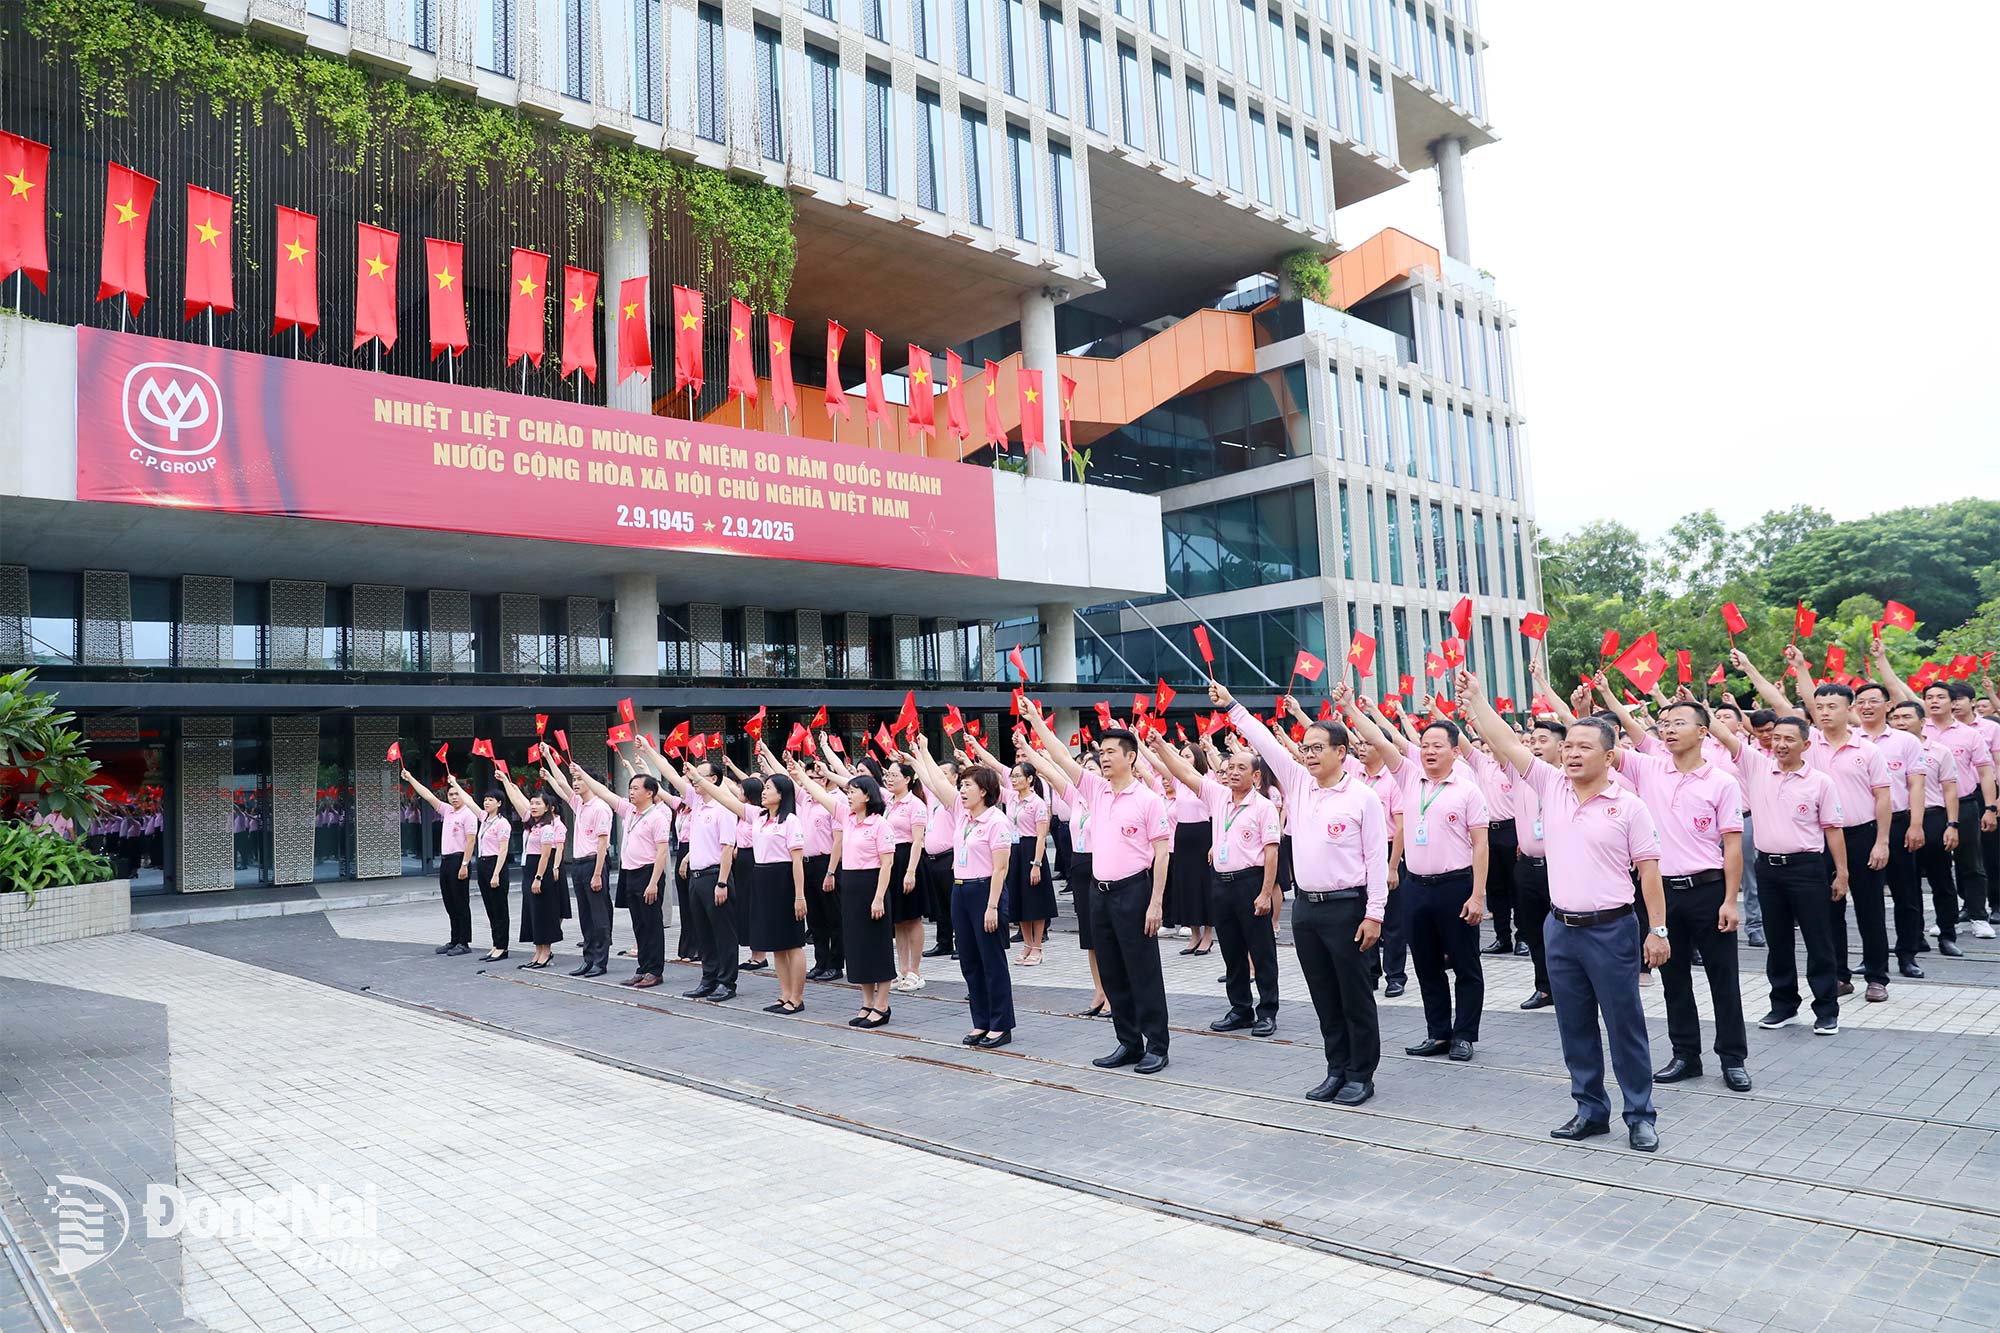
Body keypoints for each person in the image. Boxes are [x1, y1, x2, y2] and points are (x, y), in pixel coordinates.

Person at [1458, 669, 1667, 1153]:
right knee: (1574, 1026)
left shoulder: (1629, 805)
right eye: (1567, 745)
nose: (1571, 753)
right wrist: (1477, 699)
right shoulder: (1550, 785)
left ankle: (1640, 1114)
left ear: (1609, 756)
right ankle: (1590, 1109)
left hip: (1612, 930)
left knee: (1625, 1026)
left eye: (1583, 747)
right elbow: (1505, 742)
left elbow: (1649, 873)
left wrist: (1657, 930)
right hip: (1561, 929)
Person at [1230, 684, 1389, 1103]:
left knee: (1354, 995)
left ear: (1342, 752)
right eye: (1305, 747)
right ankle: (1336, 1068)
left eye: (1319, 747)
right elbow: (1264, 740)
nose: (1309, 754)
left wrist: (1374, 913)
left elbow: (1376, 858)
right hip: (1307, 909)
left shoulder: (1363, 798)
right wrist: (1232, 707)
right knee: (1323, 994)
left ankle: (1361, 1074)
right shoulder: (1299, 785)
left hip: (1348, 908)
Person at [1596, 682, 1751, 1091]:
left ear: (1703, 731)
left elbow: (1732, 845)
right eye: (1664, 724)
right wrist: (1604, 698)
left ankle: (1733, 1058)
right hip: (1661, 894)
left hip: (1708, 889)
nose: (1668, 730)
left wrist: (1730, 901)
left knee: (1723, 978)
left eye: (1679, 723)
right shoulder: (1649, 768)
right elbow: (1611, 739)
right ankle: (1686, 1054)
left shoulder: (1722, 782)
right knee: (1673, 977)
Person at [1018, 701, 1174, 1074]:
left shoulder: (1149, 800)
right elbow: (1058, 754)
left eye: (1110, 752)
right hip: (1098, 893)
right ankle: (1128, 1042)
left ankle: (1157, 1045)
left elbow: (1162, 854)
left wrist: (1156, 903)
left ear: (1131, 757)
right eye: (1100, 752)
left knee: (1143, 970)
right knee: (1112, 970)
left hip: (1135, 892)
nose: (1102, 759)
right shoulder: (1095, 790)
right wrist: (1036, 720)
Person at [1738, 648, 1893, 1001]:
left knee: (1870, 908)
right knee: (1828, 911)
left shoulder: (1867, 750)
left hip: (1862, 835)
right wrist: (1750, 666)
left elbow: (1883, 798)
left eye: (1832, 706)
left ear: (1848, 708)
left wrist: (1882, 840)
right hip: (1818, 840)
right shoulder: (1808, 744)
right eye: (1819, 707)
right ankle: (1839, 974)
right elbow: (1777, 698)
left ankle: (1876, 976)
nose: (1824, 711)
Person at [1344, 698, 1488, 1063]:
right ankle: (1438, 1032)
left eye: (1437, 746)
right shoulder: (1409, 776)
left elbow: (1480, 844)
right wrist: (1350, 707)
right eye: (1424, 746)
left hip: (1456, 886)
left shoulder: (1468, 790)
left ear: (1456, 751)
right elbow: (1378, 739)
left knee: (1466, 964)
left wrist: (1477, 895)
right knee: (1425, 963)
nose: (1429, 752)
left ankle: (1464, 1034)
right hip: (1416, 886)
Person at [1709, 711, 1849, 1036]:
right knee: (1778, 941)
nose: (1781, 744)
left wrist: (1841, 873)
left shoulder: (1820, 782)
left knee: (1819, 940)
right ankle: (1783, 1005)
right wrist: (1697, 708)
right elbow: (1726, 736)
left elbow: (1833, 831)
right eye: (1777, 738)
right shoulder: (1757, 767)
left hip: (1808, 869)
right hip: (1768, 869)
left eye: (1789, 739)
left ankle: (1826, 1010)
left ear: (1805, 744)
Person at [1149, 732, 1283, 1039]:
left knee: (1261, 951)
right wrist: (1160, 747)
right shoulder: (1218, 795)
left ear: (1256, 775)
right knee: (1232, 951)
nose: (1232, 773)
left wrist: (1265, 893)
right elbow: (1183, 771)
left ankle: (1267, 1011)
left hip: (1251, 884)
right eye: (1229, 767)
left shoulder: (1263, 807)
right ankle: (1240, 1009)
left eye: (1240, 768)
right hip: (1221, 883)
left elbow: (1272, 852)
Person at [1876, 643, 1997, 938]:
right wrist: (1881, 661)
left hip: (1965, 803)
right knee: (1928, 869)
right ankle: (1939, 921)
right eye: (1928, 697)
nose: (1933, 702)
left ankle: (1978, 914)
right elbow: (1899, 690)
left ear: (1952, 701)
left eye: (1940, 697)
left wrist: (1992, 806)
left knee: (1970, 859)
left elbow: (1985, 771)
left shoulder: (1971, 734)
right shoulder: (1918, 731)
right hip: (1923, 809)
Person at [910, 737, 1015, 1047]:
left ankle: (1000, 1024)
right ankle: (980, 1022)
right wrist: (924, 751)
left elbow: (1001, 869)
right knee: (969, 961)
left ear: (984, 790)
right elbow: (937, 783)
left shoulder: (996, 821)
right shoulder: (961, 813)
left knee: (991, 962)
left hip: (986, 892)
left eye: (967, 785)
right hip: (960, 891)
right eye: (961, 785)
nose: (961, 790)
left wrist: (993, 906)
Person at [692, 766, 808, 1013]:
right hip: (762, 878)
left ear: (782, 793)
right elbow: (724, 797)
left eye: (769, 788)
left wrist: (800, 895)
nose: (763, 792)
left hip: (784, 879)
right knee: (775, 942)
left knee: (792, 943)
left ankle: (796, 998)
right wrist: (699, 777)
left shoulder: (791, 820)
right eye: (764, 788)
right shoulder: (759, 816)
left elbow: (797, 861)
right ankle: (784, 994)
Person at [795, 761, 896, 1027]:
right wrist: (800, 775)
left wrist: (878, 898)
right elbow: (820, 795)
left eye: (853, 791)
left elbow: (887, 864)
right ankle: (866, 1002)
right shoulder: (846, 818)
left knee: (877, 946)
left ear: (868, 796)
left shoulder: (880, 825)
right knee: (858, 946)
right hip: (850, 885)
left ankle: (882, 1005)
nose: (848, 796)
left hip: (872, 885)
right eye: (848, 792)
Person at [570, 761, 676, 989]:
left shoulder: (657, 817)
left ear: (650, 792)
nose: (631, 791)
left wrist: (654, 883)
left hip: (649, 874)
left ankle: (655, 971)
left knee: (652, 925)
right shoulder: (630, 811)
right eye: (630, 788)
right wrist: (581, 773)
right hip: (630, 874)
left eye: (636, 788)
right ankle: (642, 968)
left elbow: (662, 851)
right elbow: (604, 792)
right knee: (638, 924)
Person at [1850, 681, 1930, 978]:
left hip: (1898, 825)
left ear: (1888, 706)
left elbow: (1916, 784)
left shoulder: (1905, 741)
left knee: (1905, 893)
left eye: (1873, 701)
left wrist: (1916, 824)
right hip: (1859, 828)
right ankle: (1873, 956)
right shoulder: (1849, 738)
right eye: (1861, 701)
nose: (1867, 706)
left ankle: (1907, 954)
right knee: (1865, 897)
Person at [649, 752, 740, 1001]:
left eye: (699, 775)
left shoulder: (724, 807)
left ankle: (726, 982)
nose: (692, 779)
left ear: (713, 778)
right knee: (704, 932)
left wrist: (722, 882)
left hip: (715, 877)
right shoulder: (696, 804)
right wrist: (647, 749)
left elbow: (727, 849)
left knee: (723, 932)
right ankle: (708, 978)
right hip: (696, 877)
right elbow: (668, 772)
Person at [1894, 700, 1964, 956]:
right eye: (1896, 717)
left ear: (1922, 722)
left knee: (1941, 879)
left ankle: (1947, 934)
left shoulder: (1939, 751)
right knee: (1905, 883)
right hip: (1900, 820)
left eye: (1906, 717)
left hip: (1933, 818)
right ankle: (1914, 937)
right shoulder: (1884, 749)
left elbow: (1950, 790)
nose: (1900, 722)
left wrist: (1952, 825)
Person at [542, 764, 613, 977]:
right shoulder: (580, 804)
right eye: (575, 779)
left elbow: (602, 844)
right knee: (586, 916)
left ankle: (601, 961)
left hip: (594, 863)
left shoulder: (601, 807)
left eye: (580, 779)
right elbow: (561, 784)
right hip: (579, 864)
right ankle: (588, 959)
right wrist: (549, 760)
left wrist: (598, 873)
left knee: (599, 916)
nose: (575, 783)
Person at [403, 767, 478, 955]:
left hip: (459, 860)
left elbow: (471, 841)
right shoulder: (448, 811)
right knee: (449, 901)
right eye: (451, 794)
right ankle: (454, 940)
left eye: (456, 794)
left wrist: (465, 864)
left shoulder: (468, 814)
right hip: (445, 861)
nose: (453, 797)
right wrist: (411, 778)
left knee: (461, 902)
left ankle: (464, 942)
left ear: (463, 795)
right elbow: (428, 796)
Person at [499, 772, 567, 970]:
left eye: (538, 803)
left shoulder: (548, 828)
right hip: (529, 870)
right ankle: (538, 952)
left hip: (541, 872)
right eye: (532, 803)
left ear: (548, 807)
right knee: (532, 913)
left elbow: (546, 856)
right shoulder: (532, 825)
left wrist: (538, 878)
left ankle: (546, 952)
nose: (533, 806)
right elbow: (516, 799)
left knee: (544, 912)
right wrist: (506, 781)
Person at [463, 781, 513, 962]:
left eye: (491, 800)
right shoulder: (484, 818)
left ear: (499, 803)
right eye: (485, 799)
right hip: (483, 864)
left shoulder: (503, 823)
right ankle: (495, 944)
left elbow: (503, 850)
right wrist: (454, 783)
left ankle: (502, 946)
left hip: (495, 865)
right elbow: (468, 801)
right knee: (490, 907)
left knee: (500, 908)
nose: (486, 803)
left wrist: (496, 873)